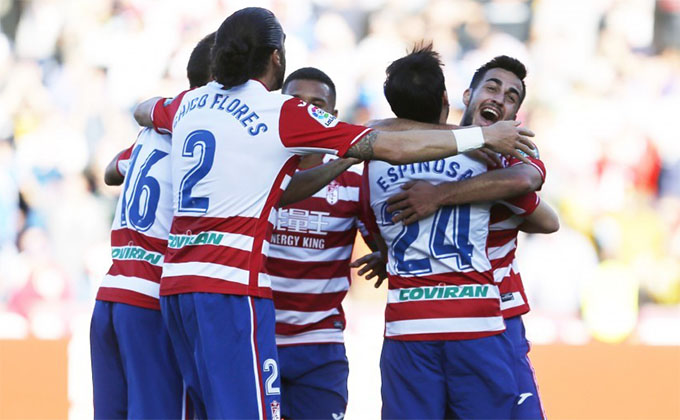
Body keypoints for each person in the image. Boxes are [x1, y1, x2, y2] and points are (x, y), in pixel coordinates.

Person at [132, 7, 535, 418]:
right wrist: (480, 137)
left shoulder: (190, 104)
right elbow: (392, 147)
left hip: (178, 284)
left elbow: (143, 110)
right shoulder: (282, 114)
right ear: (276, 59)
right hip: (232, 286)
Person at [358, 47, 556, 419]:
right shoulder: (486, 155)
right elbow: (546, 217)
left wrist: (439, 197)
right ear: (464, 96)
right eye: (492, 88)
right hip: (475, 318)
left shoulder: (500, 155)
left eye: (510, 97)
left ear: (515, 115)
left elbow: (544, 214)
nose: (499, 98)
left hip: (497, 312)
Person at [90, 32, 215, 419]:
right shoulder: (205, 135)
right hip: (151, 297)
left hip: (112, 291)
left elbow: (112, 170)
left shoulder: (153, 131)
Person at [267, 67, 377, 420]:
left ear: (332, 117)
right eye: (297, 103)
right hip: (255, 338)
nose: (307, 112)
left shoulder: (354, 180)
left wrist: (386, 252)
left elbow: (385, 240)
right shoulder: (256, 169)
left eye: (317, 106)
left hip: (319, 344)